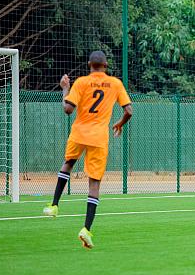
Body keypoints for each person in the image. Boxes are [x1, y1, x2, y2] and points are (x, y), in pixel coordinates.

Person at [42, 51, 133, 249]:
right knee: (94, 183)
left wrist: (65, 89)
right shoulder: (115, 84)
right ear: (106, 65)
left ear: (89, 64)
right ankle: (86, 229)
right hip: (99, 137)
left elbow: (68, 109)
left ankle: (54, 205)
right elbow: (129, 111)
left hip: (79, 133)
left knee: (68, 164)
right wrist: (119, 123)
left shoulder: (82, 82)